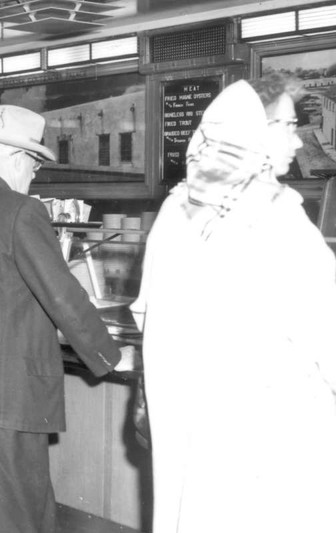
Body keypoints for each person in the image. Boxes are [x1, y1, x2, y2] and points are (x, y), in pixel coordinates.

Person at [130, 75, 336, 533]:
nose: (295, 138)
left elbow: (149, 315)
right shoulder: (277, 215)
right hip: (271, 433)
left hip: (198, 427)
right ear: (251, 135)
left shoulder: (175, 210)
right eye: (283, 125)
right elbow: (327, 328)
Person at [0, 104, 134, 533]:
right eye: (34, 167)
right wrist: (110, 356)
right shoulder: (22, 211)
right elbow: (63, 296)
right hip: (7, 394)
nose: (33, 177)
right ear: (19, 160)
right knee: (21, 517)